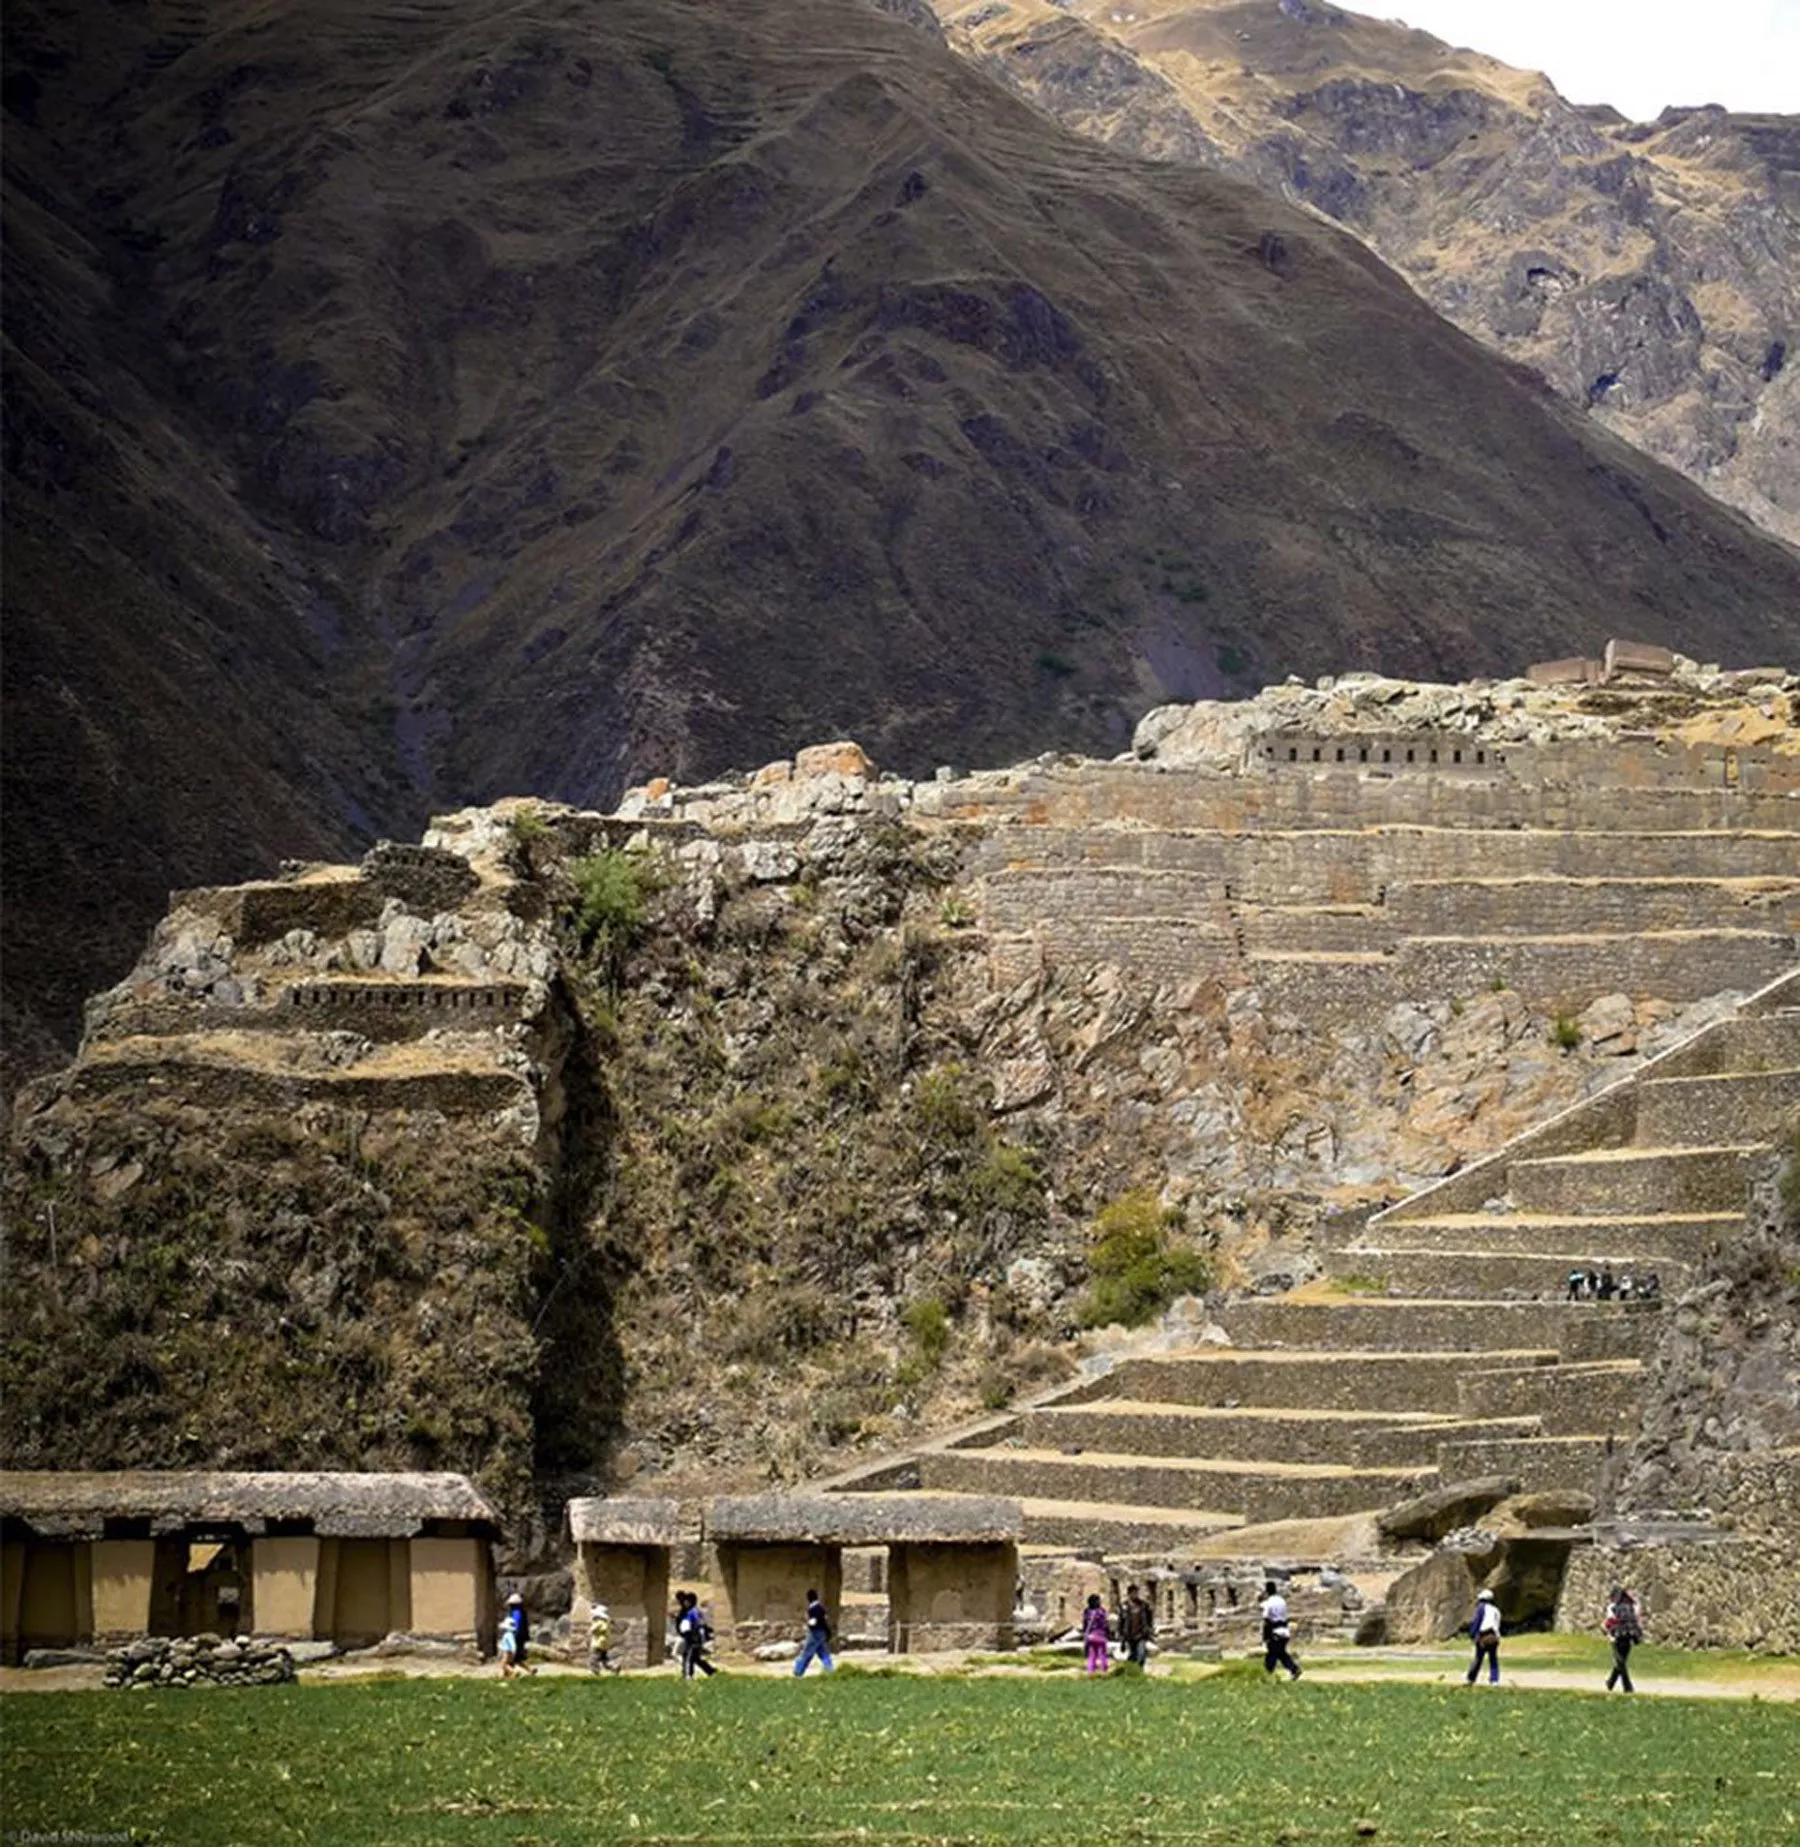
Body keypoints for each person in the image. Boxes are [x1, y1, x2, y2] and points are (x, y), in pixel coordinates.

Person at [1603, 1585, 1642, 1692]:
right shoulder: (1633, 1606)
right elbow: (1637, 1619)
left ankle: (1627, 1686)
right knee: (1622, 1660)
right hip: (1630, 1635)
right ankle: (1611, 1682)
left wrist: (1606, 1630)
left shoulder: (1612, 1607)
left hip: (1617, 1635)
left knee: (1620, 1661)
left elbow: (1610, 1621)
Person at [1260, 1581, 1301, 1680]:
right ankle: (1293, 1669)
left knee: (1272, 1654)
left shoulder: (1268, 1603)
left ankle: (1268, 1673)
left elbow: (1266, 1618)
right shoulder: (1282, 1601)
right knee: (1280, 1653)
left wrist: (1265, 1634)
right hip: (1284, 1630)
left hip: (1274, 1632)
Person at [794, 1587, 834, 1677]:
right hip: (822, 1633)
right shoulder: (821, 1608)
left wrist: (807, 1622)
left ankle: (798, 1671)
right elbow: (824, 1621)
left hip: (815, 1634)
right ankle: (830, 1671)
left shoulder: (813, 1609)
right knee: (824, 1653)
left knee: (806, 1653)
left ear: (808, 1598)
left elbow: (813, 1622)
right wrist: (828, 1632)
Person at [675, 1591, 716, 1679]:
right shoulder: (688, 1611)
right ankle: (711, 1671)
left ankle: (687, 1675)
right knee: (695, 1658)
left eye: (686, 1601)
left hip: (693, 1638)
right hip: (692, 1638)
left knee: (688, 1657)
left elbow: (699, 1625)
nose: (684, 1603)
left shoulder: (693, 1612)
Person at [1465, 1589, 1501, 1685]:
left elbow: (1477, 1622)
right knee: (1493, 1659)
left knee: (1478, 1658)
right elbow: (1497, 1624)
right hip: (1494, 1636)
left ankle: (1471, 1678)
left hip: (1483, 1636)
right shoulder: (1496, 1610)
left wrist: (1473, 1635)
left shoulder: (1481, 1608)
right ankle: (1494, 1680)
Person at [1119, 1583, 1155, 1668]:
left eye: (1136, 1592)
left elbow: (1149, 1617)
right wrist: (1121, 1636)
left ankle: (1139, 1670)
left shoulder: (1143, 1605)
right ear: (1129, 1594)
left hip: (1141, 1634)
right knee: (1133, 1654)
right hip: (1129, 1635)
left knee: (1141, 1654)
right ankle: (1131, 1670)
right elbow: (1121, 1621)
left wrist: (1149, 1628)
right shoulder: (1124, 1606)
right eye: (1133, 1593)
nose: (1135, 1595)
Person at [504, 1592, 536, 1675]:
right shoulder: (522, 1613)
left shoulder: (515, 1614)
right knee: (518, 1659)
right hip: (521, 1639)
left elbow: (514, 1627)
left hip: (514, 1639)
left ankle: (513, 1673)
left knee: (506, 1661)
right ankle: (530, 1670)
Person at [588, 1600, 621, 1675]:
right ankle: (614, 1666)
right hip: (604, 1643)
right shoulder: (606, 1622)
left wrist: (593, 1629)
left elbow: (594, 1629)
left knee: (593, 1658)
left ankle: (594, 1671)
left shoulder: (600, 1622)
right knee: (604, 1658)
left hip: (598, 1643)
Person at [1081, 1593, 1111, 1675]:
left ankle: (1091, 1670)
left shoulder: (1087, 1611)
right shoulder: (1101, 1611)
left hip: (1090, 1636)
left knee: (1092, 1655)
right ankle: (1104, 1670)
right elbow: (1105, 1623)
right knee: (1102, 1653)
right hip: (1100, 1635)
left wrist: (1085, 1634)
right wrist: (1108, 1633)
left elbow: (1085, 1624)